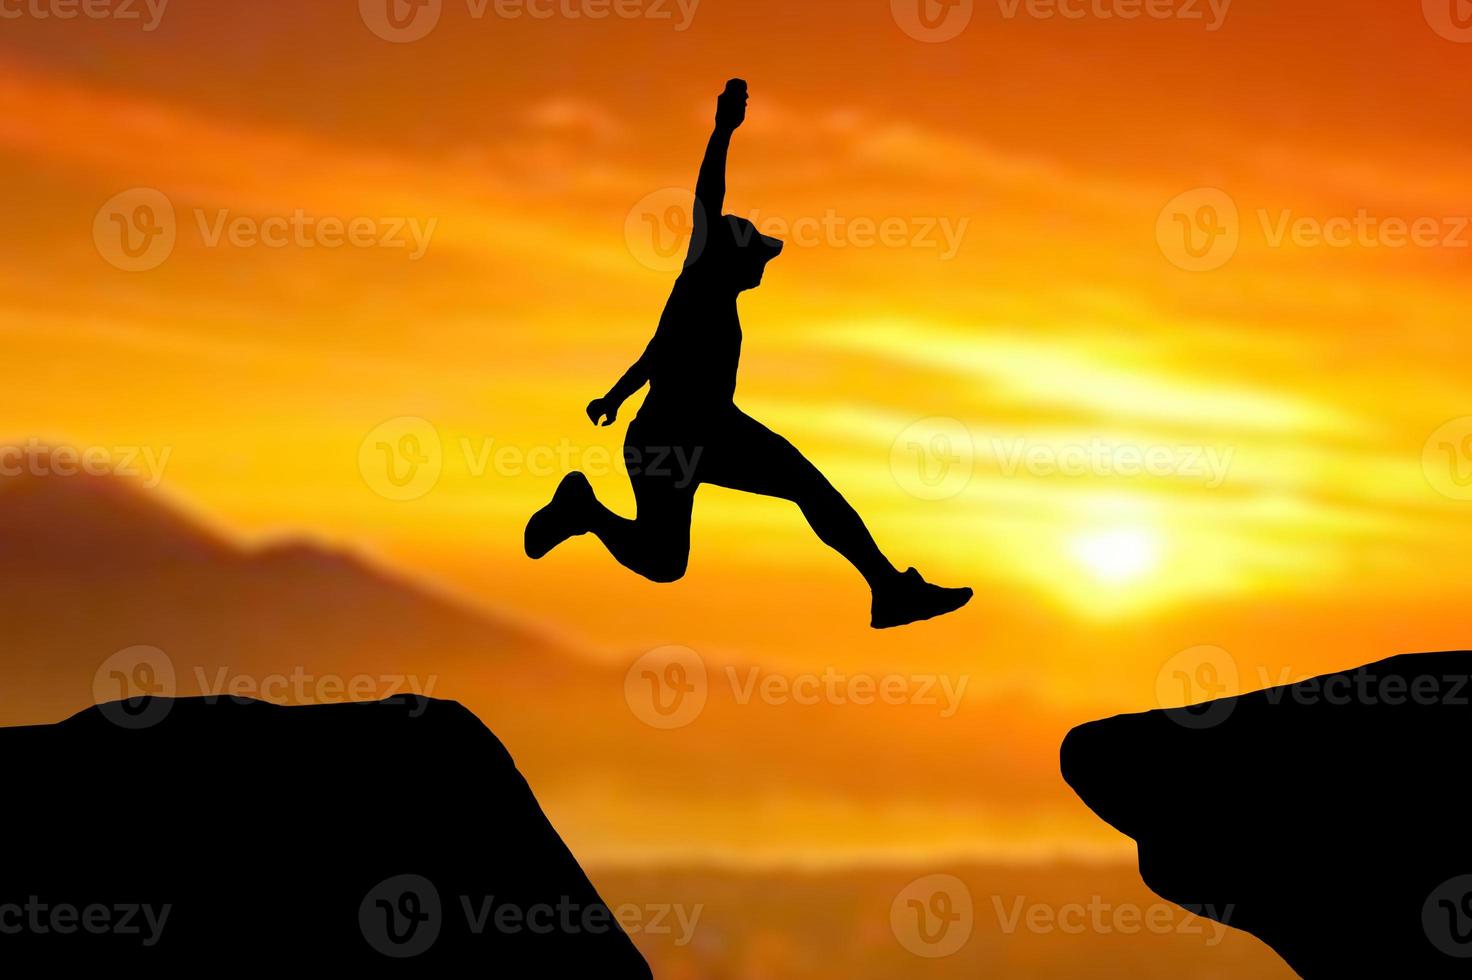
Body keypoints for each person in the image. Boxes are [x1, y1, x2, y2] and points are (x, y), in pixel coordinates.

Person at [526, 79, 972, 629]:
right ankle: (585, 511)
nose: (765, 263)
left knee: (679, 555)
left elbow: (658, 351)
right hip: (679, 436)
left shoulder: (709, 299)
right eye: (758, 254)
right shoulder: (702, 278)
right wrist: (722, 131)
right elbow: (706, 200)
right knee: (703, 542)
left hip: (693, 434)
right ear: (731, 256)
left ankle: (886, 590)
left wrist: (613, 397)